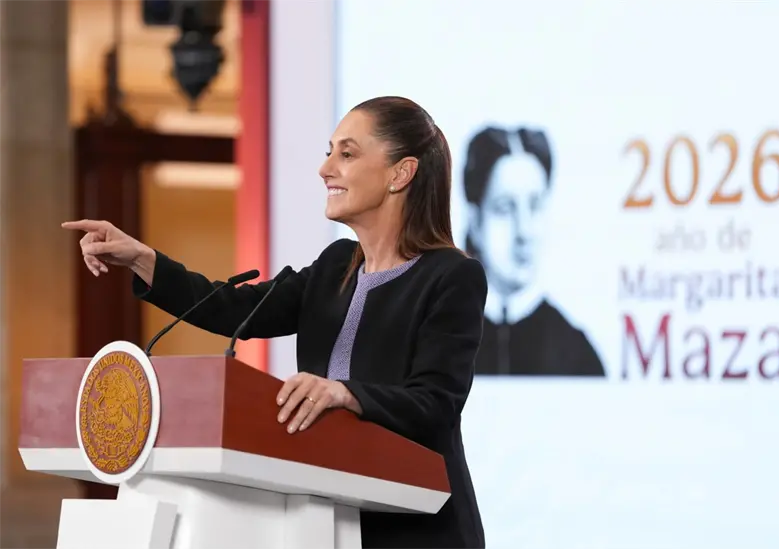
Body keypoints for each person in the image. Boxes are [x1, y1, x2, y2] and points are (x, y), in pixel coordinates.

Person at [63, 96, 487, 549]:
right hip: (327, 525)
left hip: (418, 531)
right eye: (329, 152)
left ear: (400, 174)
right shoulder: (335, 265)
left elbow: (436, 404)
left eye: (346, 154)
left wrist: (345, 393)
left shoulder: (451, 276)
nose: (325, 169)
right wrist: (144, 260)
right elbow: (231, 309)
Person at [462, 125, 605, 376]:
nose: (524, 232)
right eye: (505, 208)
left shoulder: (576, 354)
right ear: (475, 222)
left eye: (535, 206)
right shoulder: (437, 340)